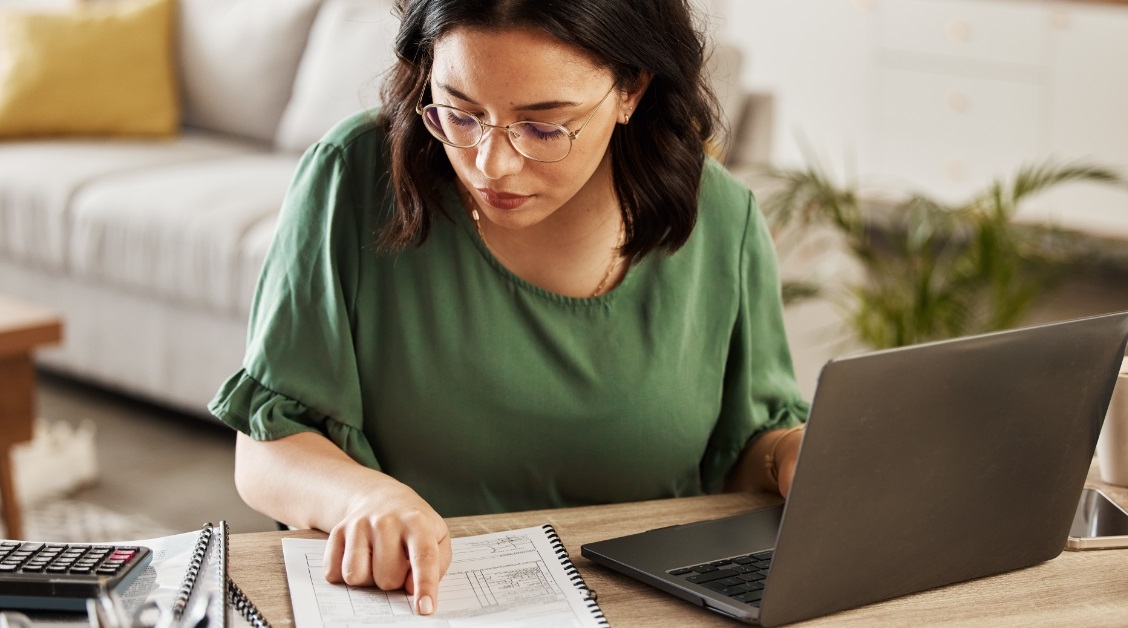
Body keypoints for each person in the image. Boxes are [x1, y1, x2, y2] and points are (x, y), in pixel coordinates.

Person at [208, 0, 809, 617]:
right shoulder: (353, 178)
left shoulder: (724, 222)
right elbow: (267, 448)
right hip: (420, 605)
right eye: (460, 113)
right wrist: (365, 501)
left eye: (544, 127)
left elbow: (747, 454)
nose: (489, 165)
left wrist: (790, 456)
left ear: (632, 89)